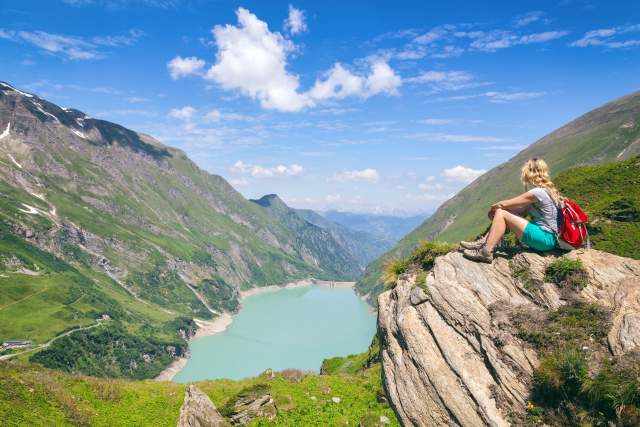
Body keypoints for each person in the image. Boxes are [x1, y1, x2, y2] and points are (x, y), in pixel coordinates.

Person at [462, 158, 561, 263]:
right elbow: (519, 213)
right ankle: (483, 243)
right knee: (502, 213)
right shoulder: (546, 191)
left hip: (544, 238)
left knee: (501, 212)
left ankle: (485, 252)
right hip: (546, 239)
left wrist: (493, 210)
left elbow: (503, 204)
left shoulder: (537, 193)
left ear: (530, 172)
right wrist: (498, 216)